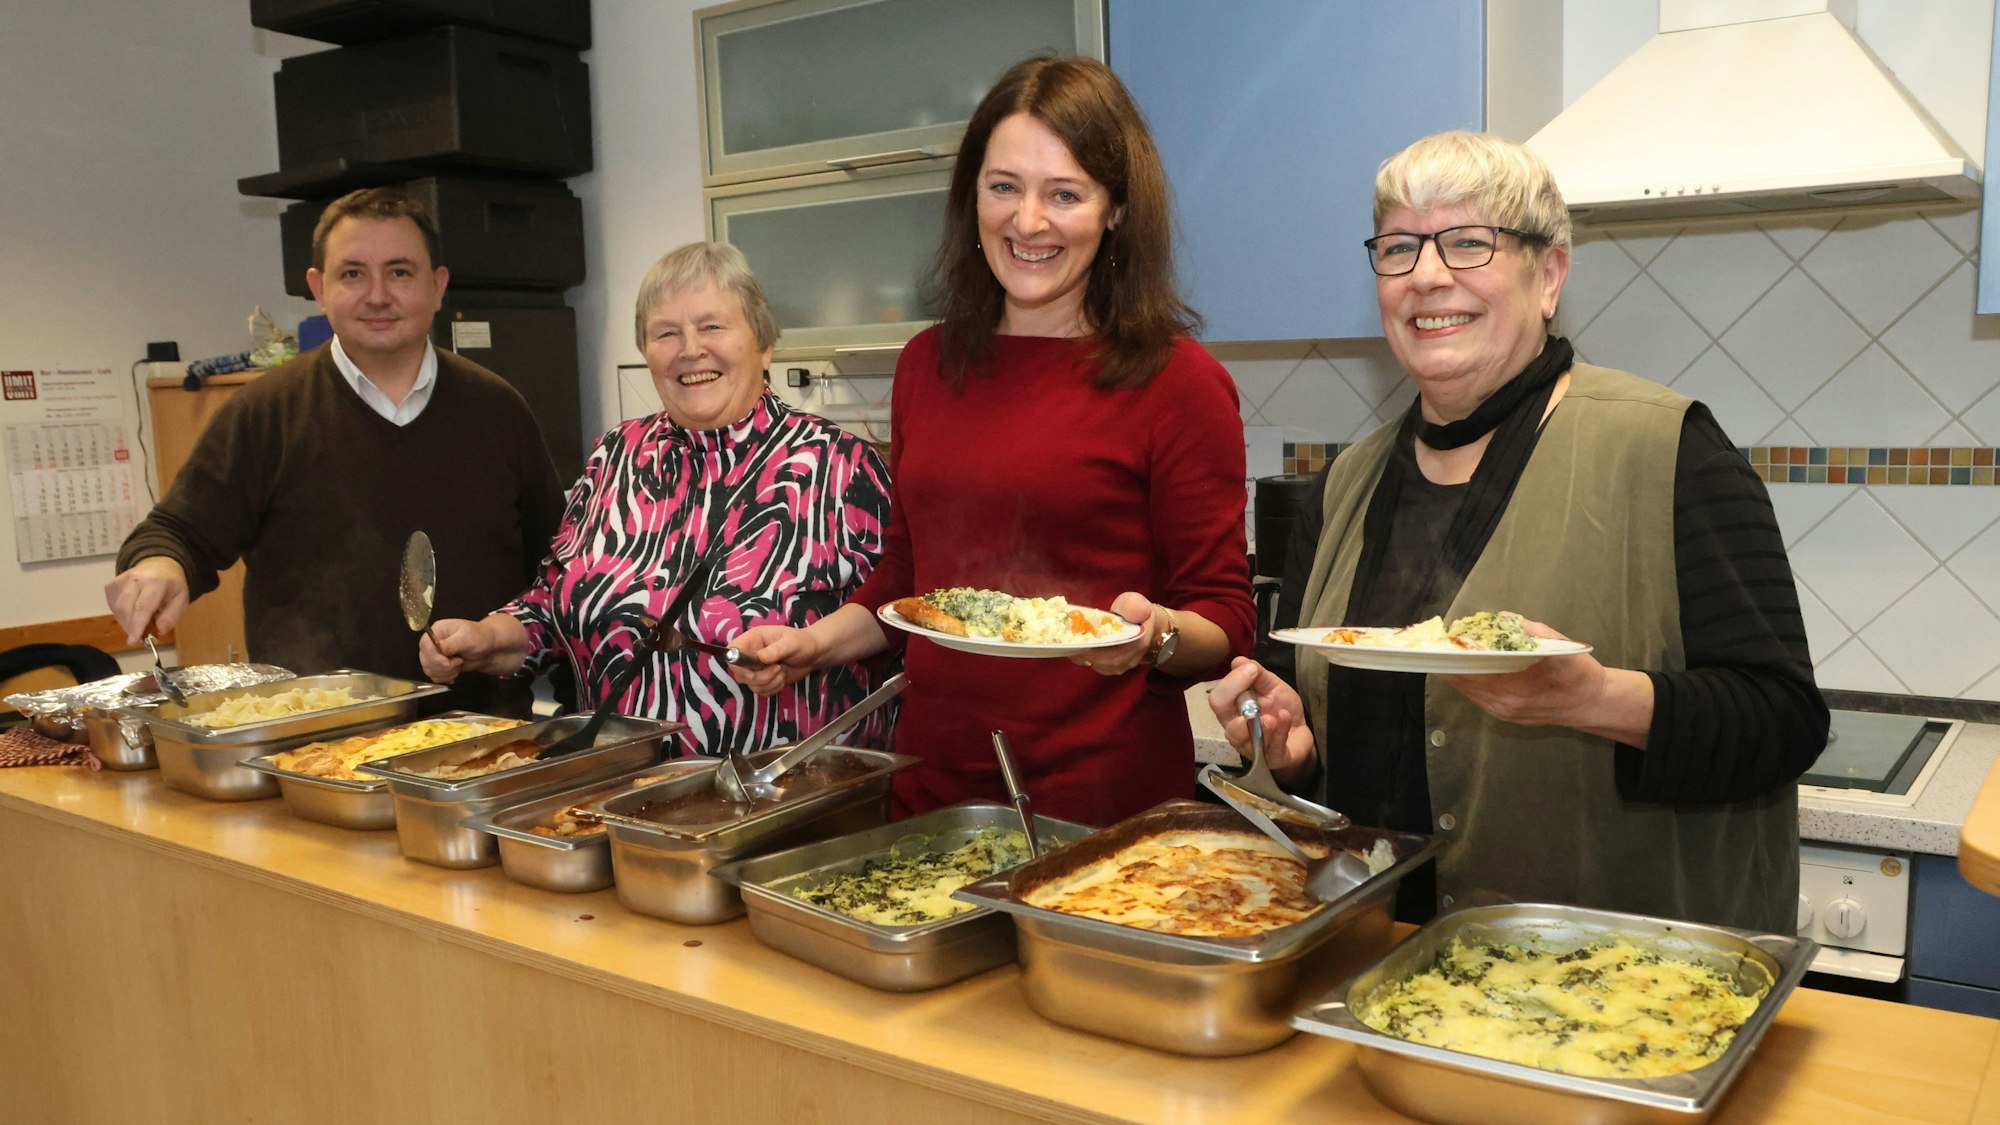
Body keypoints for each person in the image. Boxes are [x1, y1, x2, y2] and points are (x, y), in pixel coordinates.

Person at [1207, 131, 1827, 933]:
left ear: (1549, 275)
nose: (1428, 275)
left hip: (1605, 985)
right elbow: (1331, 751)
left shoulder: (1670, 451)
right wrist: (1288, 751)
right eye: (1400, 247)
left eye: (1469, 242)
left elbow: (1783, 718)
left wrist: (1599, 699)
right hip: (1372, 959)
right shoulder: (1343, 488)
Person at [731, 56, 1255, 827]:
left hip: (1105, 816)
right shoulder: (925, 365)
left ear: (1115, 211)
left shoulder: (1177, 381)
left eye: (1065, 194)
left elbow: (1225, 617)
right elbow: (910, 580)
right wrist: (814, 644)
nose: (1028, 221)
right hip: (932, 795)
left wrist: (1156, 635)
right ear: (971, 195)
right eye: (1003, 186)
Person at [418, 242, 895, 757]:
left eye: (712, 326)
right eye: (666, 333)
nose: (690, 349)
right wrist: (487, 638)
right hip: (617, 791)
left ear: (764, 344)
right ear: (647, 354)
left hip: (783, 801)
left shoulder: (841, 466)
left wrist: (815, 649)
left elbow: (899, 621)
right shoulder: (615, 456)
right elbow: (552, 609)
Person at [107, 187, 563, 716]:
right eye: (352, 274)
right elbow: (178, 533)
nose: (377, 295)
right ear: (318, 289)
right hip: (315, 744)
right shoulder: (266, 411)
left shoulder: (498, 409)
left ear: (437, 286)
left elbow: (558, 569)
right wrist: (160, 567)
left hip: (487, 744)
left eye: (399, 272)